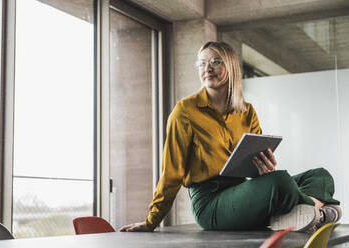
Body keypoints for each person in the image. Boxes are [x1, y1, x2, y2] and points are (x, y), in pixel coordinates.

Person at [119, 41, 342, 233]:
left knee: (320, 175)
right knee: (280, 181)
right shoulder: (184, 111)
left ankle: (301, 213)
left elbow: (256, 165)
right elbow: (171, 173)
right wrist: (152, 221)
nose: (207, 68)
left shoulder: (247, 111)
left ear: (231, 66)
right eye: (201, 63)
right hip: (210, 203)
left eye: (215, 61)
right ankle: (317, 213)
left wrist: (264, 168)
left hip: (243, 192)